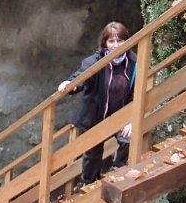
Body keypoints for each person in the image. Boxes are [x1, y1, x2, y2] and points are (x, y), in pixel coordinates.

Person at [58, 22, 136, 185]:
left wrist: (131, 118)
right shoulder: (95, 61)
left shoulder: (134, 63)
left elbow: (137, 92)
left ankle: (118, 172)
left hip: (120, 113)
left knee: (127, 139)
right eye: (111, 41)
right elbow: (82, 78)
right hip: (94, 115)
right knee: (92, 153)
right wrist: (69, 84)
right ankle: (88, 183)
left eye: (120, 41)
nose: (116, 45)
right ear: (104, 43)